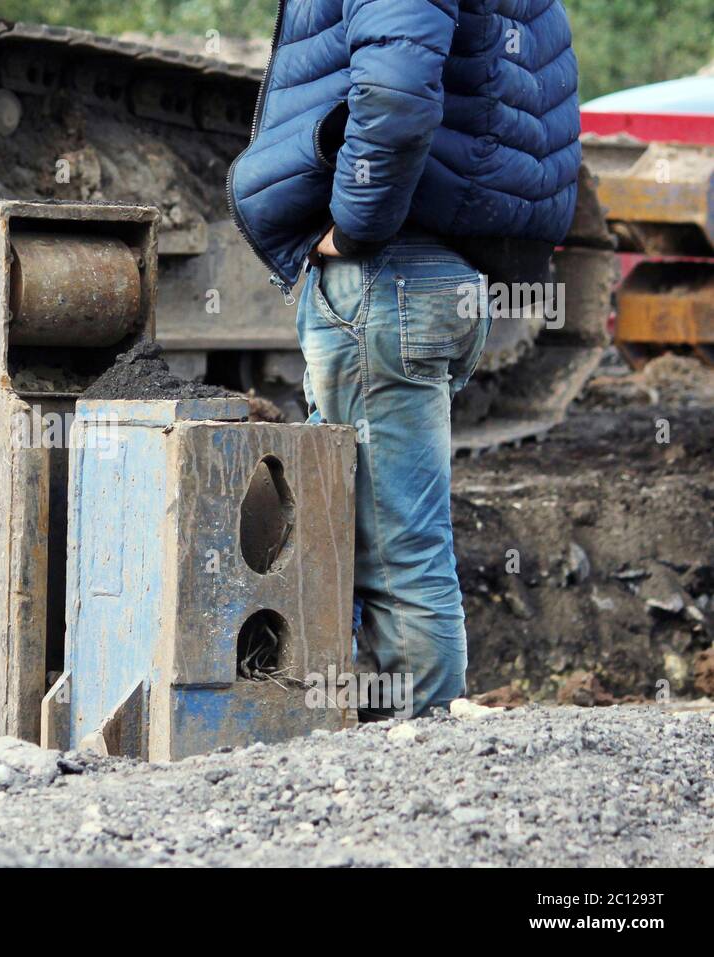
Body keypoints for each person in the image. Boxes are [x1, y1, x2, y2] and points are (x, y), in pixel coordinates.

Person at [228, 0, 581, 717]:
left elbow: (395, 95)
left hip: (387, 276)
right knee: (394, 543)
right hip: (443, 275)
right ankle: (398, 742)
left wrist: (354, 228)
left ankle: (414, 756)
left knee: (397, 559)